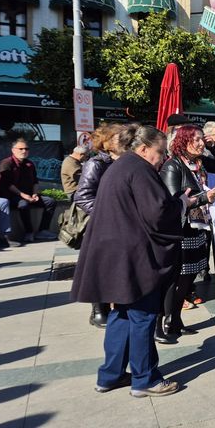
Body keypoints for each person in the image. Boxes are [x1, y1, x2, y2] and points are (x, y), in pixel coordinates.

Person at [71, 124, 190, 398]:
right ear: (144, 148)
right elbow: (158, 213)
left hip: (115, 252)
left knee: (121, 315)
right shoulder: (139, 169)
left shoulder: (121, 166)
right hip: (134, 256)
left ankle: (110, 376)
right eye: (160, 152)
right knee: (142, 316)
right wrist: (183, 203)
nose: (162, 158)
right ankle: (145, 379)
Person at [159, 125, 215, 342]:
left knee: (188, 277)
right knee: (175, 278)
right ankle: (167, 320)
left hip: (197, 228)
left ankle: (176, 319)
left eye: (202, 139)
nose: (201, 143)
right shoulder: (172, 166)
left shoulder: (198, 165)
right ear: (183, 142)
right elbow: (173, 201)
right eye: (196, 140)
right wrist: (204, 199)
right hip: (181, 230)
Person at [75, 123, 128, 328]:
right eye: (117, 137)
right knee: (101, 267)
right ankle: (99, 309)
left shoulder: (126, 161)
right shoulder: (96, 163)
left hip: (123, 224)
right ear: (105, 142)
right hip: (103, 225)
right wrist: (106, 212)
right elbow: (82, 196)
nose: (122, 141)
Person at [0, 138, 57, 243]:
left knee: (50, 202)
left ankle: (42, 230)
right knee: (23, 204)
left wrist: (34, 194)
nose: (24, 151)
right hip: (12, 196)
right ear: (13, 150)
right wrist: (23, 195)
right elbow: (7, 184)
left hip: (29, 195)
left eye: (26, 149)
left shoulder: (29, 164)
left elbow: (35, 182)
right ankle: (29, 232)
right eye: (21, 149)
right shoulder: (6, 163)